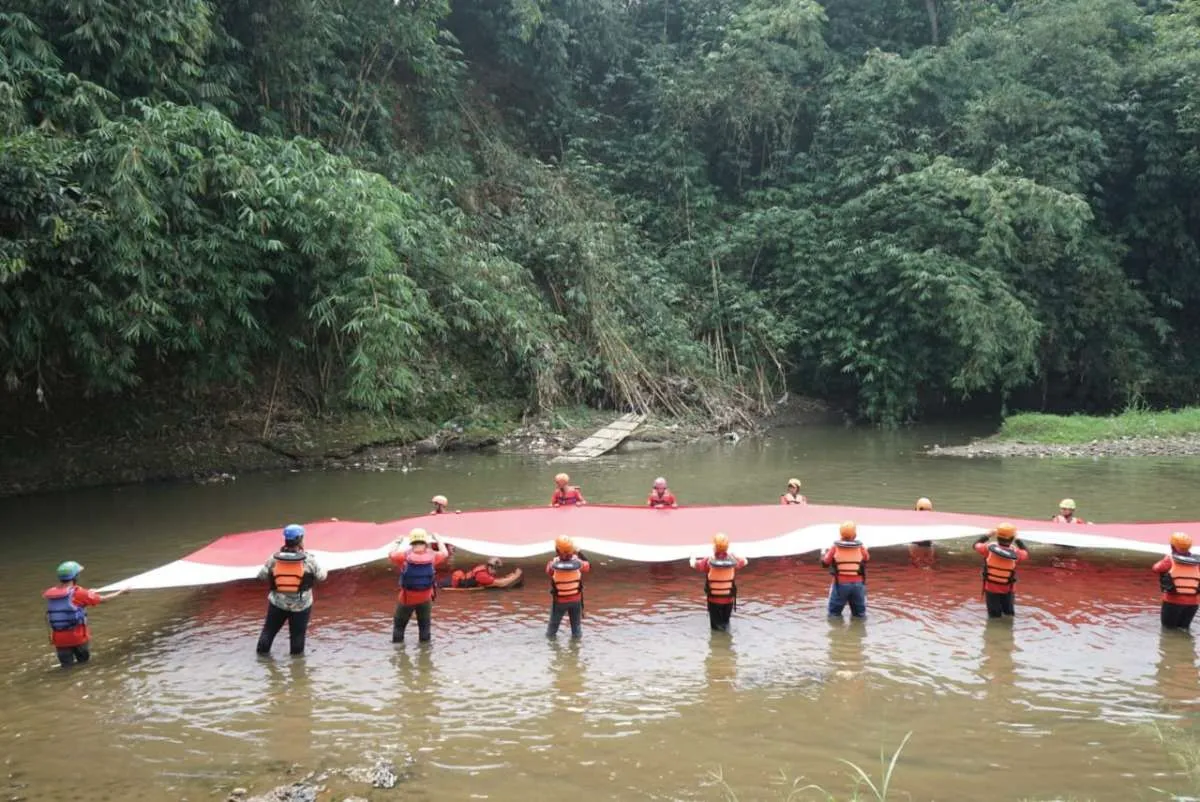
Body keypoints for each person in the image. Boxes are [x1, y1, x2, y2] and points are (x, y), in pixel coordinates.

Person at [255, 524, 327, 656]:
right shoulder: (309, 561)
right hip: (301, 605)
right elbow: (322, 577)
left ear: (286, 540)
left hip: (277, 603)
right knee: (298, 637)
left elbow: (261, 576)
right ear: (300, 540)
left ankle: (262, 660)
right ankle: (297, 671)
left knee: (268, 632)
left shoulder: (274, 559)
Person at [43, 561, 126, 668]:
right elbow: (103, 599)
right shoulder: (80, 593)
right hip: (77, 637)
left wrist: (89, 592)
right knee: (84, 666)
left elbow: (75, 596)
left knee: (66, 668)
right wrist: (121, 592)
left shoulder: (52, 593)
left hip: (59, 639)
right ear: (75, 576)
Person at [389, 527, 450, 643]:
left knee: (399, 628)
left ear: (411, 542)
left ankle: (398, 654)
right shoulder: (433, 556)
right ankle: (425, 655)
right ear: (426, 542)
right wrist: (439, 539)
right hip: (425, 599)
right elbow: (445, 553)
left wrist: (398, 541)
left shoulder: (403, 557)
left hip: (406, 600)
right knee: (425, 629)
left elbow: (391, 554)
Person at [690, 533, 748, 632]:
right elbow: (745, 561)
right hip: (728, 600)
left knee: (715, 630)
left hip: (713, 601)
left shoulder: (708, 561)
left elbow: (693, 564)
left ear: (714, 547)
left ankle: (717, 645)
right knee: (726, 625)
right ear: (727, 547)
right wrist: (735, 555)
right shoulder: (733, 560)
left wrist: (692, 557)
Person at [973, 523, 1029, 619]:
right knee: (1008, 615)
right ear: (1012, 538)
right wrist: (1018, 539)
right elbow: (1026, 552)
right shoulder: (1016, 553)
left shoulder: (988, 548)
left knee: (994, 617)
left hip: (991, 588)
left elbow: (975, 545)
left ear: (997, 536)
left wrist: (988, 535)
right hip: (1008, 589)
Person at [821, 521, 869, 619]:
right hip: (858, 585)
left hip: (840, 585)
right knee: (860, 615)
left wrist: (823, 554)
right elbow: (866, 559)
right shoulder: (861, 548)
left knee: (834, 615)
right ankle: (859, 633)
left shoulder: (835, 548)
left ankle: (836, 632)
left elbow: (825, 563)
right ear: (855, 535)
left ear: (841, 534)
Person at [1152, 531, 1200, 631]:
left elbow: (1156, 568)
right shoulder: (1197, 562)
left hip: (1172, 601)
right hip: (1193, 604)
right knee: (1184, 629)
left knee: (1167, 630)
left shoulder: (1169, 560)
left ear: (1173, 546)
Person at [546, 535, 590, 639]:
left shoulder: (552, 565)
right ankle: (575, 652)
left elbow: (549, 571)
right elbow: (588, 566)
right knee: (576, 628)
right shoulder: (579, 563)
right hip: (576, 601)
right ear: (572, 550)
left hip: (559, 602)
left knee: (552, 630)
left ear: (557, 550)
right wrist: (578, 552)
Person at [439, 557, 523, 589]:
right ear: (489, 566)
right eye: (494, 569)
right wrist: (516, 576)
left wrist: (508, 577)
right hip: (450, 583)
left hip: (458, 579)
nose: (495, 571)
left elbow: (495, 581)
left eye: (497, 569)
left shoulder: (485, 569)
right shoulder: (482, 575)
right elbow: (500, 583)